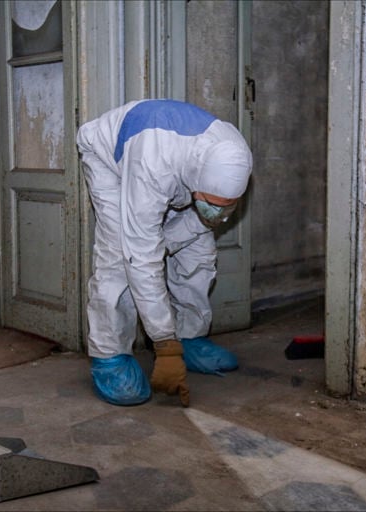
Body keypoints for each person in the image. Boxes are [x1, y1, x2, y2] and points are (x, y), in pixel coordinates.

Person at [76, 99, 252, 407]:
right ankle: (110, 356)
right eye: (211, 202)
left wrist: (198, 217)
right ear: (196, 185)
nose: (218, 211)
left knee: (199, 253)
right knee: (120, 256)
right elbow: (140, 255)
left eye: (226, 206)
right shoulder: (153, 165)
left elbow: (202, 218)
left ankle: (190, 335)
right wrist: (164, 344)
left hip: (174, 169)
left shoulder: (232, 154)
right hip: (112, 158)